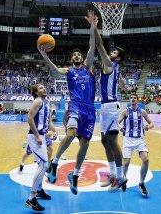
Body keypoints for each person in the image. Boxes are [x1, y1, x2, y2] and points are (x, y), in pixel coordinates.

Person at [39, 10, 96, 195]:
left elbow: (92, 47)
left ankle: (76, 175)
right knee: (70, 134)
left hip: (90, 109)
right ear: (72, 59)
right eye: (75, 55)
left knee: (85, 144)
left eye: (79, 54)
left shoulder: (88, 67)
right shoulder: (69, 71)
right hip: (75, 106)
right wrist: (45, 56)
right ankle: (54, 164)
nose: (78, 56)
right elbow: (55, 71)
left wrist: (93, 27)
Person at [92, 11, 127, 192]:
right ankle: (113, 174)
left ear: (117, 58)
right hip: (105, 107)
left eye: (114, 52)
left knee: (112, 141)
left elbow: (99, 44)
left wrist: (94, 26)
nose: (110, 53)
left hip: (111, 106)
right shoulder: (115, 67)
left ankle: (121, 177)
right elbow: (122, 84)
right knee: (104, 141)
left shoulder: (109, 64)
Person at [25, 84, 57, 212]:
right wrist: (38, 136)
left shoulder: (46, 103)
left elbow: (48, 122)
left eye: (44, 87)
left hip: (42, 136)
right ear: (36, 93)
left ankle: (39, 190)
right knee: (43, 165)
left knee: (43, 164)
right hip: (34, 137)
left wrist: (54, 131)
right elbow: (30, 118)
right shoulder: (37, 101)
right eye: (40, 88)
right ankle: (31, 198)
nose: (44, 89)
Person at [117, 94, 154, 196]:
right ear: (130, 100)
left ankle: (141, 183)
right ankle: (124, 179)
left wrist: (148, 127)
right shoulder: (125, 111)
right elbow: (117, 121)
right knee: (126, 163)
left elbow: (152, 123)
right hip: (128, 140)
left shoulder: (142, 112)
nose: (133, 99)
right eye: (131, 97)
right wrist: (120, 127)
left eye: (135, 97)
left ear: (137, 100)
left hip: (139, 140)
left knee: (146, 159)